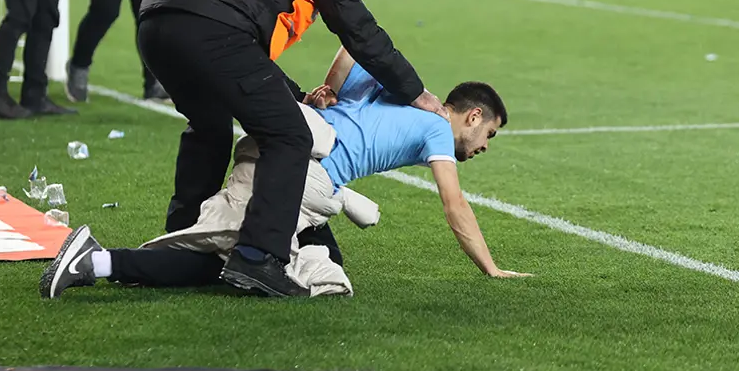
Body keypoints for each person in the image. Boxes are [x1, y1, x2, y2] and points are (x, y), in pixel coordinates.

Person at [135, 0, 446, 298]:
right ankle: (259, 257)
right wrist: (415, 91)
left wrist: (296, 93)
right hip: (210, 28)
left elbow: (244, 50)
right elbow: (357, 28)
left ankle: (187, 233)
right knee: (290, 136)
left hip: (155, 21)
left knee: (208, 126)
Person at [40, 47, 531, 300]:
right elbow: (454, 205)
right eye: (489, 134)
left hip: (291, 150)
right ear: (471, 117)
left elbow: (353, 51)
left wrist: (328, 90)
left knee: (328, 268)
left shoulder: (405, 92)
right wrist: (490, 267)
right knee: (230, 264)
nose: (484, 146)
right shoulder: (438, 130)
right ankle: (98, 262)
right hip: (296, 173)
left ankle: (132, 263)